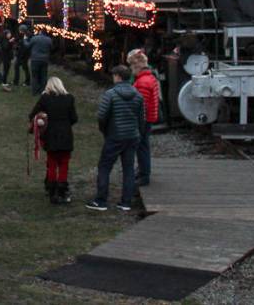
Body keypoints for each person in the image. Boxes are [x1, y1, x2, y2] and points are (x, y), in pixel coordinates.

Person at [86, 66, 144, 212]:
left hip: (115, 135)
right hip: (132, 135)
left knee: (104, 167)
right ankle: (126, 202)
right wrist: (138, 132)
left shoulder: (110, 94)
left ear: (118, 76)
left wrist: (105, 130)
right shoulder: (138, 95)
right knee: (128, 169)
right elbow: (141, 118)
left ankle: (101, 200)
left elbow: (102, 116)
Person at [28, 77, 78, 204]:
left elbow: (32, 115)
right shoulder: (69, 98)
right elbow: (74, 118)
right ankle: (62, 190)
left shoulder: (45, 99)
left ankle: (51, 191)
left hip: (50, 135)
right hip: (66, 135)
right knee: (64, 164)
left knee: (52, 163)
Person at [129, 49, 161, 187]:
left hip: (143, 119)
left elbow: (141, 105)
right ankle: (143, 171)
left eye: (131, 66)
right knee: (143, 146)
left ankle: (144, 175)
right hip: (149, 117)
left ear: (137, 66)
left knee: (141, 147)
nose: (131, 70)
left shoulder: (142, 82)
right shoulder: (150, 78)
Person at [26, 28, 54, 96]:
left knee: (35, 76)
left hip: (35, 59)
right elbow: (51, 48)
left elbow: (28, 46)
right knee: (43, 76)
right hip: (44, 60)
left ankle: (34, 91)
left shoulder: (34, 38)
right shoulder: (49, 39)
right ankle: (43, 91)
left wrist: (24, 41)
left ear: (40, 32)